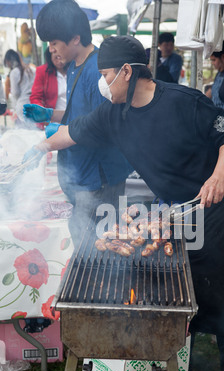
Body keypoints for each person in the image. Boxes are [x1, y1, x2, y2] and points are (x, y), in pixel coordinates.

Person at [23, 35, 224, 371]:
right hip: (172, 216)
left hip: (212, 208)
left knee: (221, 285)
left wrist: (218, 176)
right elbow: (73, 132)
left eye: (106, 74)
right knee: (178, 287)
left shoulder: (183, 101)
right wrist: (40, 147)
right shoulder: (114, 114)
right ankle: (183, 359)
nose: (102, 81)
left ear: (127, 72)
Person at [23, 0, 131, 249]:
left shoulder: (99, 72)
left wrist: (48, 143)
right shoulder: (74, 66)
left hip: (99, 182)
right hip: (82, 178)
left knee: (99, 250)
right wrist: (50, 115)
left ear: (74, 38)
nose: (52, 50)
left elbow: (99, 127)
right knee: (84, 245)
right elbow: (80, 115)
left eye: (54, 43)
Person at [30, 47, 69, 123]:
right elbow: (36, 97)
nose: (60, 61)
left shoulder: (73, 70)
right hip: (52, 120)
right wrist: (42, 113)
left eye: (62, 57)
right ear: (50, 57)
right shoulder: (42, 71)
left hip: (72, 118)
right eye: (56, 58)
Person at [4, 49, 35, 123]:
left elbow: (15, 93)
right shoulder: (31, 69)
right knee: (35, 131)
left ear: (8, 61)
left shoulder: (14, 72)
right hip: (35, 103)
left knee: (23, 131)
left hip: (22, 106)